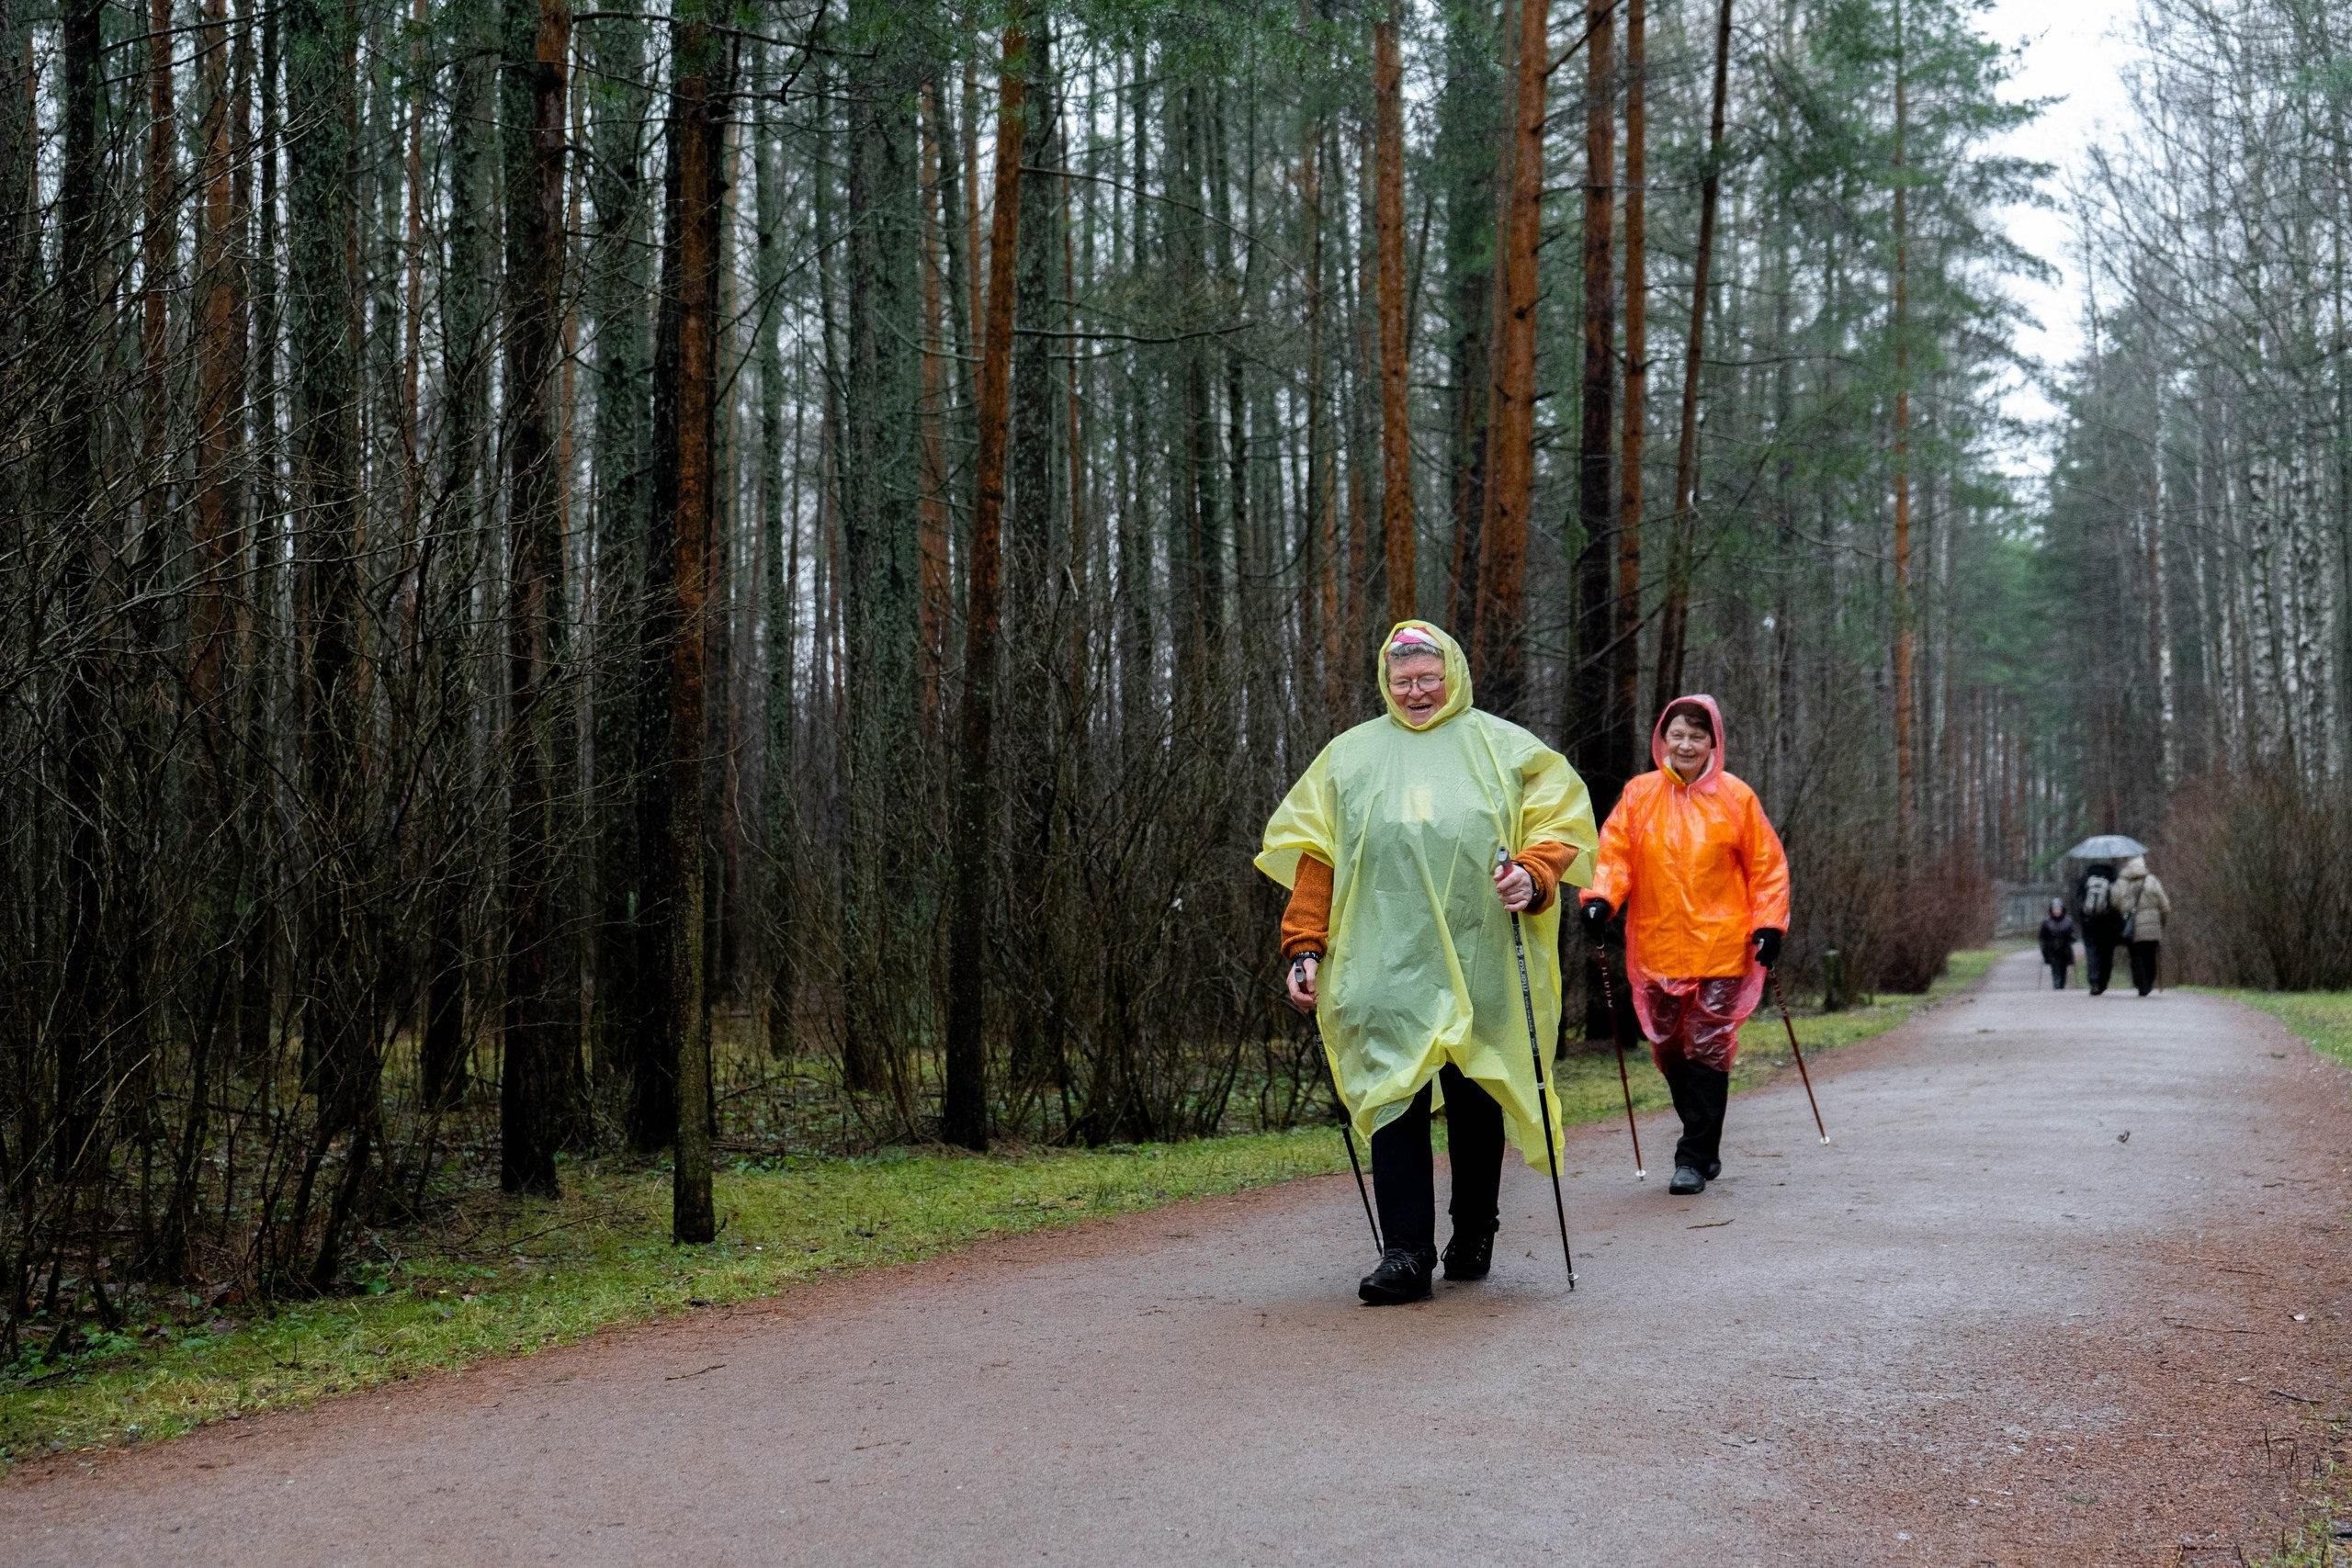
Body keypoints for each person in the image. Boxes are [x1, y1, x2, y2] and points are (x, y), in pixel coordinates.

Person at [1259, 622, 1598, 1305]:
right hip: (1380, 955)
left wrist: (1532, 874)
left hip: (1481, 953)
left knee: (1476, 1090)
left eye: (1427, 677)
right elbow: (1315, 858)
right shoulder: (1349, 758)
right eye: (1403, 679)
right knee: (1392, 1092)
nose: (1416, 691)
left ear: (1454, 674)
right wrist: (1304, 946)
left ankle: (1473, 1230)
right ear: (1387, 683)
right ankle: (1405, 1252)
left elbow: (1558, 819)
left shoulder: (1502, 746)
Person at [1577, 696, 1790, 1198]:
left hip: (1723, 946)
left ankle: (1692, 1155)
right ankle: (1706, 1141)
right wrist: (1601, 899)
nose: (1687, 743)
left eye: (1698, 735)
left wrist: (1770, 925)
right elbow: (1616, 856)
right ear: (1663, 739)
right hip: (1658, 945)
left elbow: (1766, 867)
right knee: (1671, 1049)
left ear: (1713, 741)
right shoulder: (1639, 795)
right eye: (1678, 733)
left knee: (1709, 1049)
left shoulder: (1737, 798)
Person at [2112, 854, 2171, 997]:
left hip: (2132, 927)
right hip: (2153, 927)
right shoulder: (2152, 880)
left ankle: (2141, 984)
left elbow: (2114, 901)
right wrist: (2161, 923)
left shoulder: (2122, 882)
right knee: (2150, 956)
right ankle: (2149, 982)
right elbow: (2165, 907)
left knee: (2136, 956)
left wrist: (2125, 909)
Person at [2075, 862, 2125, 996]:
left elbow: (2079, 901)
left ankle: (2094, 981)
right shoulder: (2112, 879)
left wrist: (2083, 918)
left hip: (2089, 923)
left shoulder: (2085, 879)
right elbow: (2117, 902)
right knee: (2106, 953)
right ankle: (2103, 982)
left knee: (2092, 952)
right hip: (2108, 923)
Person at [2038, 897, 2077, 990]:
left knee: (2063, 970)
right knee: (2055, 970)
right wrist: (2044, 949)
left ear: (2062, 909)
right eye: (2055, 909)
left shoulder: (2068, 921)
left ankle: (2061, 987)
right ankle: (2057, 988)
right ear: (2051, 910)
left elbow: (2074, 934)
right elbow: (2042, 937)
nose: (2057, 911)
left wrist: (2071, 938)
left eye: (2058, 909)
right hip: (2052, 951)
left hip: (2064, 950)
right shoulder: (2047, 922)